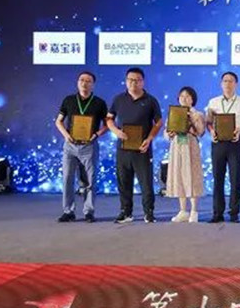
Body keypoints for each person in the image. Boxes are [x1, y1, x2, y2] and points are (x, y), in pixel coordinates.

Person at [106, 67, 163, 223]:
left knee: (146, 182)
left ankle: (148, 212)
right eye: (131, 80)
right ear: (126, 81)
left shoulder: (151, 101)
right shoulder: (118, 99)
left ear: (143, 82)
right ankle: (126, 212)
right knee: (124, 181)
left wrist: (149, 139)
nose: (134, 83)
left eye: (137, 80)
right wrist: (115, 131)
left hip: (142, 148)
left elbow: (158, 122)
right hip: (123, 148)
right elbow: (109, 119)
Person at [55, 71, 109, 223]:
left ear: (93, 85)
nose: (84, 83)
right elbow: (58, 121)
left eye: (88, 81)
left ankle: (89, 212)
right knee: (67, 178)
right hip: (70, 146)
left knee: (90, 180)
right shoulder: (69, 100)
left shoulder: (99, 103)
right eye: (81, 80)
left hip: (89, 146)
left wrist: (96, 135)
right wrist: (66, 135)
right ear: (77, 83)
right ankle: (68, 211)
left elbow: (107, 125)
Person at [205, 72, 240, 223]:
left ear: (236, 84)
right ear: (221, 84)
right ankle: (217, 213)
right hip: (218, 143)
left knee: (235, 178)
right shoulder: (213, 102)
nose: (228, 84)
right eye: (225, 81)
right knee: (218, 178)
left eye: (231, 81)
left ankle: (234, 213)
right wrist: (212, 131)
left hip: (235, 142)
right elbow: (208, 122)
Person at [165, 86, 206, 223]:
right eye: (182, 96)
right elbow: (166, 132)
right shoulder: (173, 113)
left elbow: (201, 131)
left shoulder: (198, 114)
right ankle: (182, 210)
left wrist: (191, 120)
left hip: (190, 145)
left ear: (192, 99)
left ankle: (194, 211)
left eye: (187, 96)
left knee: (192, 175)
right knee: (179, 176)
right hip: (177, 145)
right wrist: (169, 133)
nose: (184, 99)